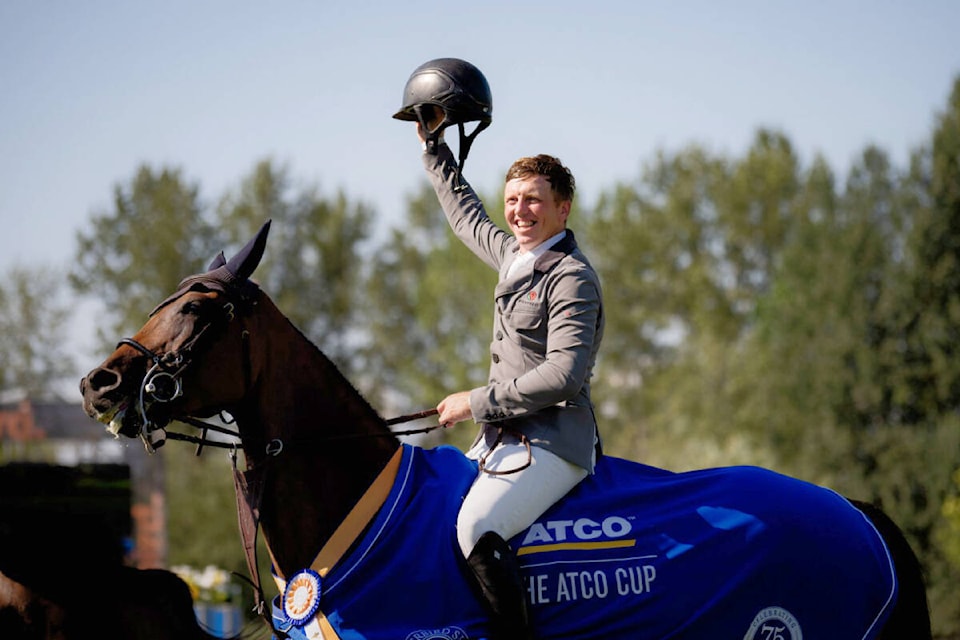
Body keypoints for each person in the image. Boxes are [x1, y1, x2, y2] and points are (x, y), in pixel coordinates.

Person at [395, 58, 605, 640]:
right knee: (432, 521)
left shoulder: (572, 277)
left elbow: (563, 376)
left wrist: (476, 402)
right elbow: (466, 217)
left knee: (475, 530)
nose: (518, 211)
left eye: (533, 200)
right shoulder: (515, 256)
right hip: (499, 442)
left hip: (554, 442)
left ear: (563, 208)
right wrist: (434, 149)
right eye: (512, 200)